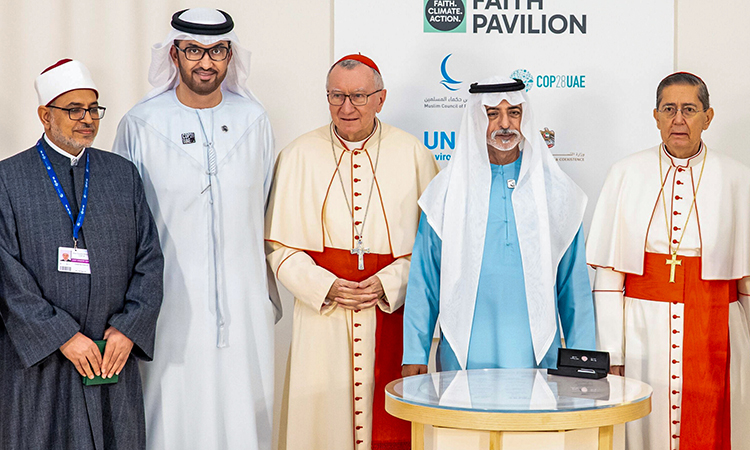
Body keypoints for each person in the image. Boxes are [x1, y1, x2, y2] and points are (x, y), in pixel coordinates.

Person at [112, 8, 279, 450]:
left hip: (243, 305)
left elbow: (262, 207)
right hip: (166, 305)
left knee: (245, 410)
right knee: (170, 413)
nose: (206, 62)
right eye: (194, 51)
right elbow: (122, 221)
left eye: (218, 51)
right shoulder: (141, 124)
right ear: (174, 53)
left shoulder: (254, 120)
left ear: (231, 55)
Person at [265, 53, 439, 450]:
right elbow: (278, 245)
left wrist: (390, 282)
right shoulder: (298, 154)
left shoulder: (414, 154)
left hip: (391, 311)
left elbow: (433, 249)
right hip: (323, 313)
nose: (347, 107)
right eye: (336, 96)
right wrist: (323, 285)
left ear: (380, 98)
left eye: (359, 96)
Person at [0, 59, 163, 449]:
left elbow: (150, 260)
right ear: (45, 115)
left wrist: (129, 329)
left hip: (110, 357)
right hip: (41, 362)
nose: (87, 119)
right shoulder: (8, 178)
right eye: (74, 109)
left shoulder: (122, 175)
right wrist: (62, 336)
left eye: (93, 109)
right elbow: (6, 274)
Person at [587, 72, 750, 450]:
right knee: (647, 425)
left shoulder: (739, 179)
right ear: (656, 116)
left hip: (717, 324)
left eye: (689, 109)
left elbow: (745, 282)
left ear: (708, 117)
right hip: (643, 327)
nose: (679, 119)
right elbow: (610, 279)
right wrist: (613, 352)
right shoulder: (626, 173)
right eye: (669, 109)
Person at [402, 76, 595, 376]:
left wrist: (584, 359)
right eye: (493, 114)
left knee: (533, 421)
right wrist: (414, 353)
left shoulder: (554, 191)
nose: (505, 124)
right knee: (464, 422)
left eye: (514, 113)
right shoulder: (447, 192)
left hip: (536, 350)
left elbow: (575, 287)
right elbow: (424, 280)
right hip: (465, 350)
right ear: (478, 121)